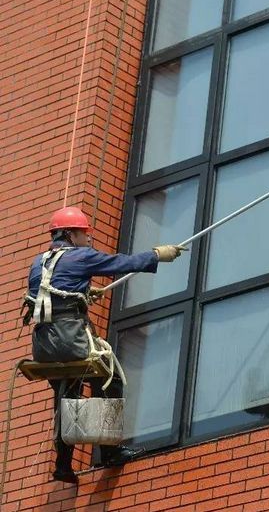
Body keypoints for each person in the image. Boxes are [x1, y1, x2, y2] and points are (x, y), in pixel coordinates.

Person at [24, 206, 185, 483]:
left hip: (45, 345)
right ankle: (109, 452)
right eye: (84, 234)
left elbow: (53, 292)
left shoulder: (39, 263)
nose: (88, 239)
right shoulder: (80, 256)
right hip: (70, 338)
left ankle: (63, 465)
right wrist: (157, 256)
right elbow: (120, 263)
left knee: (67, 397)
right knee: (110, 381)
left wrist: (84, 292)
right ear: (71, 234)